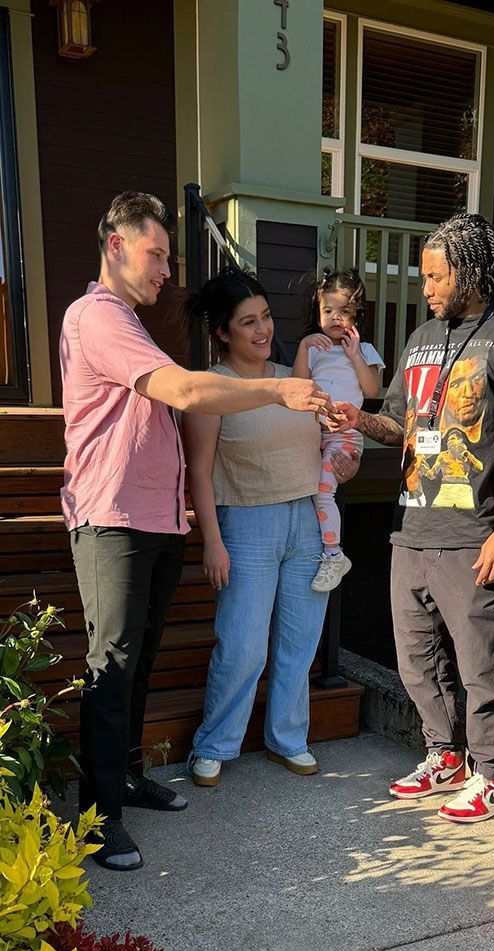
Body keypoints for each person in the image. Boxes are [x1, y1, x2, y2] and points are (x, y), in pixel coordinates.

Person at [60, 192, 332, 872]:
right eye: (155, 254)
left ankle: (124, 778)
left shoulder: (128, 320)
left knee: (140, 660)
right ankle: (99, 819)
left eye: (168, 257)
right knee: (113, 664)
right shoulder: (96, 316)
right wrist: (275, 391)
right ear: (116, 244)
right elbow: (185, 392)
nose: (163, 270)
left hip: (153, 515)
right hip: (113, 514)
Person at [329, 212, 494, 823]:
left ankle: (493, 774)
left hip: (476, 528)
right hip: (411, 528)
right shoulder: (422, 338)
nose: (425, 287)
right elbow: (401, 423)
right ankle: (443, 755)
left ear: (471, 270)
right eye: (424, 275)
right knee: (415, 657)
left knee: (483, 660)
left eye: (435, 275)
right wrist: (358, 420)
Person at [184, 269, 358, 790]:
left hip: (309, 522)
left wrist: (341, 458)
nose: (262, 330)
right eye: (247, 322)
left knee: (300, 642)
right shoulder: (215, 389)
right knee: (241, 646)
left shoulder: (296, 381)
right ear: (222, 332)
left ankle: (288, 738)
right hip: (245, 523)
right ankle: (214, 745)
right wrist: (211, 540)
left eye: (265, 317)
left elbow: (328, 445)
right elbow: (198, 471)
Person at [293, 268, 384, 592]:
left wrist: (355, 355)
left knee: (322, 492)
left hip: (344, 436)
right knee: (311, 492)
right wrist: (304, 348)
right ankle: (320, 550)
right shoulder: (314, 347)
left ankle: (334, 554)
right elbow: (298, 383)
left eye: (344, 311)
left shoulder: (364, 350)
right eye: (328, 310)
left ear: (357, 314)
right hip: (313, 436)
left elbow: (372, 389)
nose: (335, 318)